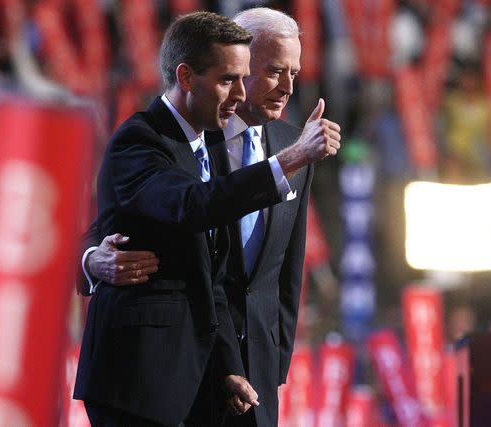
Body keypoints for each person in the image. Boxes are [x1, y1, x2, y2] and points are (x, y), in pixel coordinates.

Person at [74, 11, 340, 427]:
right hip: (161, 377)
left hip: (249, 376)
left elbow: (286, 268)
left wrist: (273, 361)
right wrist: (91, 258)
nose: (288, 87)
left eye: (295, 72)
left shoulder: (290, 140)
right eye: (271, 71)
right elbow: (173, 208)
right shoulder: (166, 136)